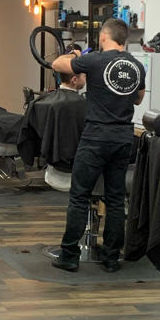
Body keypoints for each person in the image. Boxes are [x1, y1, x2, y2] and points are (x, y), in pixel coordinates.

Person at [47, 18, 145, 272]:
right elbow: (138, 98)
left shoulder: (94, 60)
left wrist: (75, 55)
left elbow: (56, 64)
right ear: (125, 39)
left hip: (96, 137)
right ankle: (111, 258)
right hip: (123, 137)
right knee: (115, 199)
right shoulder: (137, 66)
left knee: (80, 196)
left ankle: (69, 256)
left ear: (103, 37)